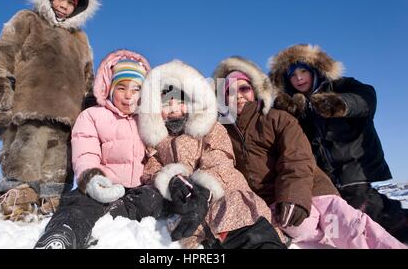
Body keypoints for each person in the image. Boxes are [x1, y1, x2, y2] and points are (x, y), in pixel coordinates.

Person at [213, 56, 406, 248]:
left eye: (244, 88)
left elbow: (296, 155)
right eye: (229, 91)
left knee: (352, 224)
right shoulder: (223, 131)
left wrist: (341, 104)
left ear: (255, 90)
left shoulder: (277, 117)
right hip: (286, 194)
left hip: (327, 180)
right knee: (309, 231)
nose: (237, 95)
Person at [0, 0, 100, 221]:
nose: (64, 6)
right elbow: (0, 58)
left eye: (71, 3)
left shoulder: (80, 40)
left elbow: (88, 79)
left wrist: (90, 108)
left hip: (68, 119)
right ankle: (17, 199)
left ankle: (50, 204)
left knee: (57, 169)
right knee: (25, 158)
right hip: (29, 109)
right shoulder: (27, 20)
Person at [137, 60, 286, 249]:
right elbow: (152, 169)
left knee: (240, 216)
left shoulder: (210, 128)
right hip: (188, 208)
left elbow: (220, 158)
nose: (174, 108)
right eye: (167, 103)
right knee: (194, 238)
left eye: (181, 101)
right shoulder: (157, 142)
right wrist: (172, 181)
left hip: (225, 194)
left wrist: (204, 189)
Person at [268, 44, 408, 243]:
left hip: (354, 167)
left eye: (303, 71)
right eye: (292, 75)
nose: (298, 78)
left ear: (315, 69)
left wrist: (341, 104)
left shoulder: (340, 85)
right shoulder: (292, 106)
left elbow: (367, 99)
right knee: (342, 218)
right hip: (324, 177)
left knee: (370, 210)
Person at [34, 49, 171, 249]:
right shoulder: (93, 116)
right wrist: (93, 179)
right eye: (121, 88)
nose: (128, 96)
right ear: (109, 88)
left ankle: (112, 217)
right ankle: (63, 234)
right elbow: (86, 152)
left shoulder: (150, 121)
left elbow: (160, 154)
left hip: (138, 189)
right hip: (103, 183)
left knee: (152, 200)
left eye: (135, 90)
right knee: (80, 204)